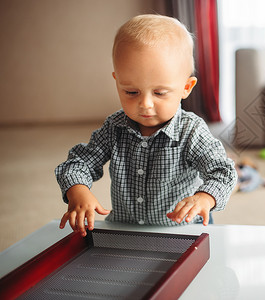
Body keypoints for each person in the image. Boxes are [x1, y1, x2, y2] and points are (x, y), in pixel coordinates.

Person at [55, 15, 237, 236]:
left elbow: (224, 172)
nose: (145, 104)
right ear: (117, 81)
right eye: (131, 92)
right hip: (125, 232)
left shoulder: (191, 131)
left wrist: (205, 197)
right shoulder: (115, 127)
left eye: (159, 93)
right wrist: (78, 191)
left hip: (184, 233)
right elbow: (77, 163)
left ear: (186, 87)